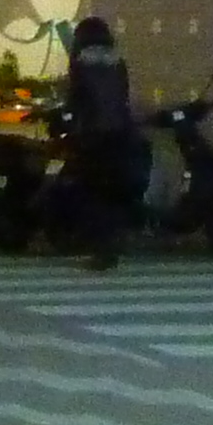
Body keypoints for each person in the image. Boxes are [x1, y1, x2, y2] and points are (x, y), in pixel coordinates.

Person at [60, 15, 144, 271]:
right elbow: (123, 95)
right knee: (114, 190)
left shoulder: (80, 63)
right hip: (122, 132)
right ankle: (115, 242)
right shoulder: (118, 62)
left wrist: (68, 120)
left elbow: (76, 99)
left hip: (92, 134)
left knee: (93, 190)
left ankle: (100, 251)